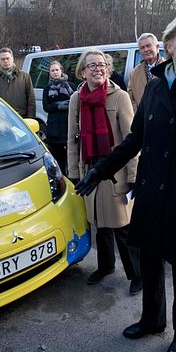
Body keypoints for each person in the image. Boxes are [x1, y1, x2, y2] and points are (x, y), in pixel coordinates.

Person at [76, 13, 176, 352]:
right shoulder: (156, 86)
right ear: (169, 46)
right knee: (149, 260)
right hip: (150, 191)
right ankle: (152, 321)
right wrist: (101, 171)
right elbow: (135, 139)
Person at [66, 49, 142, 295]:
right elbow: (72, 139)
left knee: (123, 227)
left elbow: (132, 139)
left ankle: (137, 274)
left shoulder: (119, 97)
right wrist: (74, 172)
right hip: (90, 172)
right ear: (82, 71)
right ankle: (106, 266)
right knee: (100, 224)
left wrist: (133, 176)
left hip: (114, 171)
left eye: (101, 65)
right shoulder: (76, 99)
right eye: (92, 66)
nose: (97, 69)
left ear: (108, 69)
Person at [42, 60, 73, 175]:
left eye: (57, 70)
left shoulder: (71, 86)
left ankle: (72, 179)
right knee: (58, 158)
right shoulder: (47, 88)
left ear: (61, 71)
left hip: (68, 125)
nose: (55, 72)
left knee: (70, 157)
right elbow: (46, 107)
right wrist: (58, 105)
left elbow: (76, 104)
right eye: (52, 70)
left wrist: (69, 105)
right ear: (49, 73)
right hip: (54, 128)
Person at [0, 47, 36, 118]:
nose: (5, 61)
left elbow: (31, 100)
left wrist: (30, 118)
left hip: (21, 119)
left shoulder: (25, 76)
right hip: (3, 120)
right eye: (3, 59)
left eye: (7, 58)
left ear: (12, 58)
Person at [127, 32, 164, 112]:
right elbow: (130, 98)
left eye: (148, 46)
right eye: (142, 47)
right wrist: (139, 113)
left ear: (157, 47)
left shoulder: (170, 69)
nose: (146, 50)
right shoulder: (134, 73)